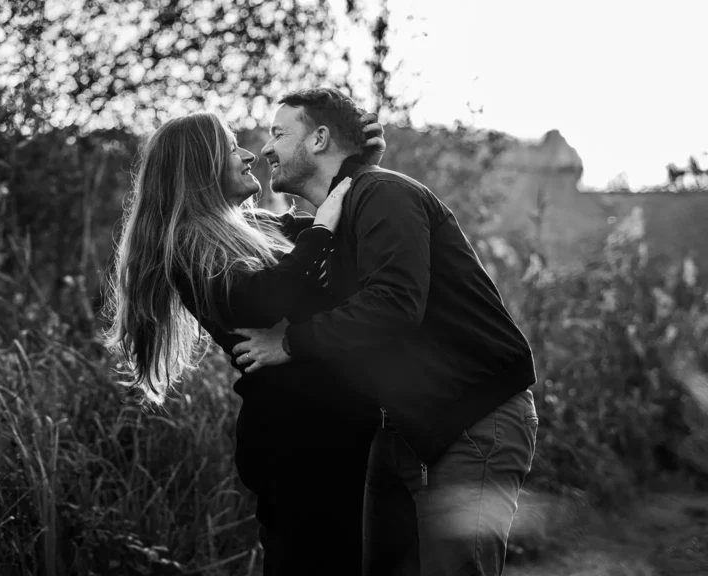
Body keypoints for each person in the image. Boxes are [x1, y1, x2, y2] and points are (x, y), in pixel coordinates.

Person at [231, 88, 539, 576]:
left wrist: (290, 343)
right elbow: (245, 233)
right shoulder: (330, 221)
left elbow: (395, 303)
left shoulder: (383, 194)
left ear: (320, 139)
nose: (266, 149)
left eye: (278, 134)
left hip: (474, 417)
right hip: (403, 427)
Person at [103, 111, 386, 574]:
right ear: (200, 166)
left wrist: (357, 163)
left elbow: (340, 229)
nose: (249, 154)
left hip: (330, 429)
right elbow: (260, 302)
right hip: (296, 439)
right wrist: (319, 230)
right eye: (233, 146)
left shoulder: (249, 228)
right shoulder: (190, 245)